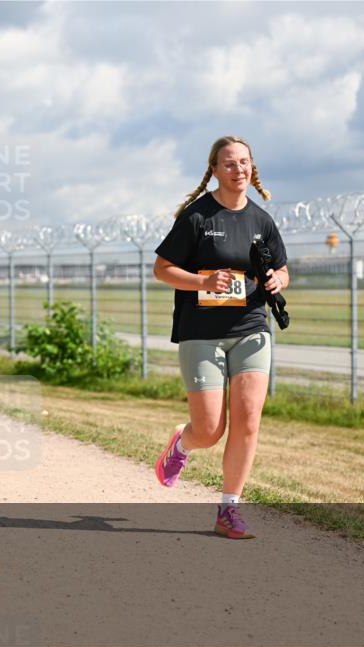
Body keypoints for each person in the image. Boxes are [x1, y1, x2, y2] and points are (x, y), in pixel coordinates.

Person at [152, 135, 289, 539]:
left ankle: (229, 509)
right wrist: (203, 280)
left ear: (252, 167)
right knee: (210, 429)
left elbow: (283, 270)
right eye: (229, 163)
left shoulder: (261, 220)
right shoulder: (198, 216)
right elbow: (162, 269)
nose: (239, 169)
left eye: (244, 162)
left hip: (250, 328)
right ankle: (181, 445)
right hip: (202, 334)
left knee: (247, 420)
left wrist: (277, 281)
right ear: (215, 169)